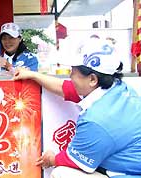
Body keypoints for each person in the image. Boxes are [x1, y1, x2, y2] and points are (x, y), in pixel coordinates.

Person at [14, 38, 141, 178]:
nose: (70, 76)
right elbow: (65, 88)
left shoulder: (97, 120)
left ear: (92, 79)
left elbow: (73, 160)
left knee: (61, 173)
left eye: (73, 72)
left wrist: (50, 159)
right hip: (126, 165)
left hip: (127, 174)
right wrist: (33, 75)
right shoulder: (116, 87)